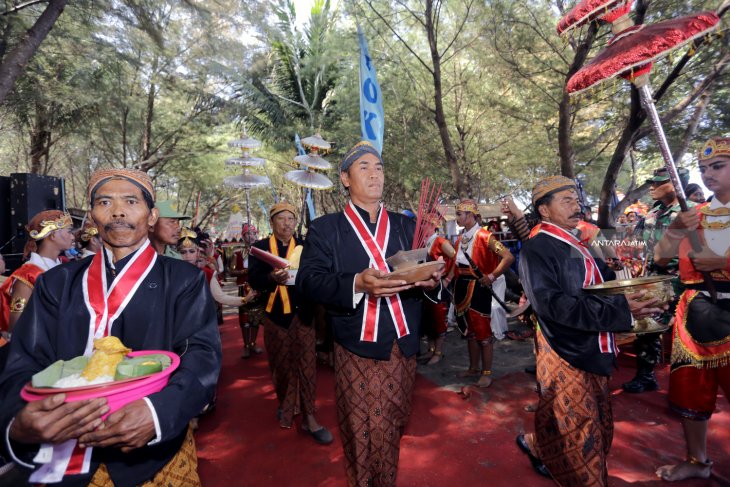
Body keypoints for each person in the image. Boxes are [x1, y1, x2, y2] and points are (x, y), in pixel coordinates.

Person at [0, 168, 221, 485]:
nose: (118, 211)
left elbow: (201, 355)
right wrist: (19, 420)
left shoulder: (183, 279)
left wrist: (156, 413)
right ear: (91, 216)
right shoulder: (55, 283)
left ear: (151, 215)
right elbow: (23, 360)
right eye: (105, 202)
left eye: (131, 201)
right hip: (64, 445)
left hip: (154, 453)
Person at [296, 141, 442, 486]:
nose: (374, 173)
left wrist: (431, 280)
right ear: (345, 178)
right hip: (358, 344)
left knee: (392, 424)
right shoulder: (326, 229)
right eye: (364, 167)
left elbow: (425, 277)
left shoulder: (407, 227)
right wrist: (358, 284)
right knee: (362, 432)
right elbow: (308, 282)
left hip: (404, 345)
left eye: (378, 167)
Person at [516, 175, 662, 485]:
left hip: (594, 343)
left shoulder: (577, 242)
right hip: (565, 349)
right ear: (543, 210)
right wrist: (623, 310)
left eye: (576, 199)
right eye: (565, 201)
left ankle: (539, 446)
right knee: (582, 430)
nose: (576, 206)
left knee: (584, 417)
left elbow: (604, 280)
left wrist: (634, 294)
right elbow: (553, 306)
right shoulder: (537, 248)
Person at [654, 137, 730, 482]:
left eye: (718, 166)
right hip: (694, 313)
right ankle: (697, 461)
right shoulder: (694, 214)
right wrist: (674, 231)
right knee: (689, 391)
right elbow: (660, 257)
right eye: (703, 169)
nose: (708, 174)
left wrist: (720, 260)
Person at [248, 202, 332, 445]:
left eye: (291, 219)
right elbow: (254, 279)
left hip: (303, 315)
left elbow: (318, 276)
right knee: (281, 366)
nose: (287, 223)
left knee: (307, 367)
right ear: (272, 222)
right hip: (276, 317)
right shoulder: (260, 249)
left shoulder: (306, 247)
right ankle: (286, 403)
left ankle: (310, 417)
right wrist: (271, 278)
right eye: (281, 219)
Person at [622, 167, 689, 394]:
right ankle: (646, 375)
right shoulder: (654, 212)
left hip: (680, 279)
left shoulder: (689, 212)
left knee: (684, 331)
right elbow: (637, 242)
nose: (652, 187)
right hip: (654, 278)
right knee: (645, 325)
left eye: (658, 183)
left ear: (675, 184)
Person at [453, 199, 514, 388]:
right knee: (469, 331)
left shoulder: (486, 236)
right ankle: (473, 368)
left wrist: (492, 276)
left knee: (482, 331)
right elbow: (454, 265)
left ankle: (487, 373)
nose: (457, 218)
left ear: (471, 215)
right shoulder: (460, 238)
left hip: (478, 288)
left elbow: (508, 257)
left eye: (460, 214)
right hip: (461, 287)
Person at [0, 210, 75, 335]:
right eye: (69, 231)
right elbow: (17, 326)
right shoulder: (27, 275)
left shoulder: (64, 268)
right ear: (52, 234)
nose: (73, 236)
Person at [178, 227, 256, 309]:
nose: (187, 256)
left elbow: (221, 297)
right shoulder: (172, 271)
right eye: (183, 252)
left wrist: (244, 299)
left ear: (198, 252)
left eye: (191, 251)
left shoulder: (207, 274)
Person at [421, 216, 455, 365]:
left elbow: (456, 258)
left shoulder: (440, 242)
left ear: (432, 225)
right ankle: (431, 349)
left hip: (440, 285)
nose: (422, 227)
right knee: (429, 319)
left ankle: (438, 352)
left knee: (439, 317)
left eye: (425, 224)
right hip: (427, 286)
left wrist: (447, 279)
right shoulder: (425, 243)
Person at [230, 223, 266, 358]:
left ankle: (253, 343)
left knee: (255, 317)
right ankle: (245, 345)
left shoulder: (261, 252)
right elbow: (232, 271)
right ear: (243, 236)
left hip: (257, 288)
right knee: (244, 318)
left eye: (253, 233)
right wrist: (245, 271)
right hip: (243, 289)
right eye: (247, 234)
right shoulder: (237, 253)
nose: (251, 236)